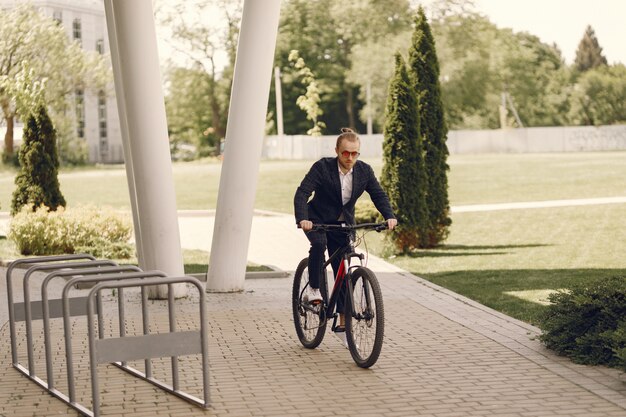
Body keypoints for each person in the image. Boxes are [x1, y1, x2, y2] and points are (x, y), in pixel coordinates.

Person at [294, 128, 397, 343]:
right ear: (337, 151)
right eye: (345, 153)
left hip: (343, 223)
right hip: (318, 219)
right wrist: (303, 218)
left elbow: (378, 194)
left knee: (343, 266)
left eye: (354, 153)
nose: (350, 157)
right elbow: (303, 193)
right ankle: (313, 289)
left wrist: (389, 216)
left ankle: (342, 320)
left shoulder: (364, 171)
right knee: (319, 246)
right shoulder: (322, 167)